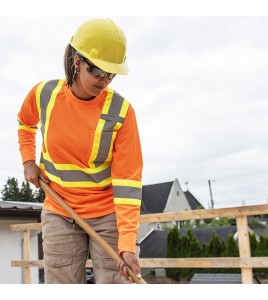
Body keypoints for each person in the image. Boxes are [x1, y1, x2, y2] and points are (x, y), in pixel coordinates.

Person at [17, 17, 143, 284]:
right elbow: (25, 123)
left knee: (116, 284)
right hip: (60, 208)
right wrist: (29, 160)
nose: (105, 81)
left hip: (107, 215)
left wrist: (128, 244)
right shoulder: (44, 95)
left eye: (112, 74)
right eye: (98, 72)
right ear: (77, 62)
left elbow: (128, 183)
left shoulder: (121, 112)